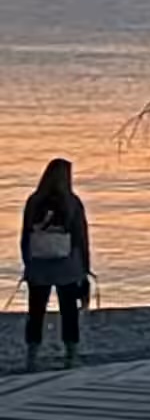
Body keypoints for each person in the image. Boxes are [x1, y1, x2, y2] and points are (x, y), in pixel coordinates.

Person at [21, 158, 90, 372]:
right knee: (69, 311)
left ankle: (32, 356)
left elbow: (25, 234)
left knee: (36, 311)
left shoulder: (34, 201)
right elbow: (80, 236)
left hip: (38, 265)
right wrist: (85, 267)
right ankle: (71, 354)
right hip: (67, 265)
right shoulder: (72, 202)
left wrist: (27, 262)